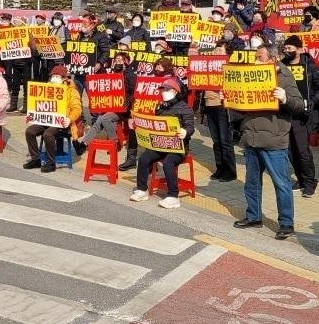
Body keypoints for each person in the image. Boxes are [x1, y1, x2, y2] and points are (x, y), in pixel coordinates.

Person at [233, 50, 305, 239]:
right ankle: (253, 216)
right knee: (252, 182)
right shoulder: (249, 75)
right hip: (251, 136)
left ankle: (286, 223)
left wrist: (285, 99)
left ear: (273, 59)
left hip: (274, 139)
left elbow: (298, 105)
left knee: (281, 183)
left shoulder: (285, 76)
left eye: (260, 57)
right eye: (255, 57)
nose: (256, 61)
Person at [130, 77, 195, 209]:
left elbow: (191, 127)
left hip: (178, 148)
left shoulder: (185, 108)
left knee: (168, 163)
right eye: (162, 89)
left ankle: (173, 196)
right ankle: (142, 190)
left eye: (167, 89)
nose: (163, 92)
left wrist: (185, 132)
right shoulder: (160, 106)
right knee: (143, 158)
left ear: (175, 91)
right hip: (160, 144)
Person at [281, 35, 319, 198]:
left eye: (290, 48)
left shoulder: (312, 68)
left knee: (302, 150)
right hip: (285, 112)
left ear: (300, 50)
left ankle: (310, 182)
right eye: (285, 48)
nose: (287, 51)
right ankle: (300, 179)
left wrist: (313, 102)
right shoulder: (281, 67)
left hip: (304, 114)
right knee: (289, 150)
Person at [73, 51, 135, 156]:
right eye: (116, 61)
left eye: (120, 60)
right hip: (111, 106)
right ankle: (83, 145)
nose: (117, 62)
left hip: (123, 108)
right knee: (99, 120)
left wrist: (128, 100)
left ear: (126, 62)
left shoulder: (130, 75)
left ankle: (114, 142)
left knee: (105, 118)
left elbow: (134, 92)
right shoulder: (112, 73)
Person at [24, 64, 83, 173]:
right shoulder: (46, 88)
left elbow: (77, 109)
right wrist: (32, 117)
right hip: (46, 119)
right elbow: (37, 104)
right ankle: (35, 159)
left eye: (58, 76)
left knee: (48, 134)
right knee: (30, 131)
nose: (54, 78)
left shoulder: (71, 91)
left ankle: (50, 163)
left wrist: (69, 119)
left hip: (62, 122)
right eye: (53, 76)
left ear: (64, 78)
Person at [202, 44, 236, 181]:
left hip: (222, 106)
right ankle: (220, 168)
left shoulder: (230, 67)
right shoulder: (208, 66)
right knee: (216, 140)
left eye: (220, 50)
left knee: (224, 140)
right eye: (215, 49)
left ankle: (230, 171)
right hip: (209, 104)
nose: (216, 51)